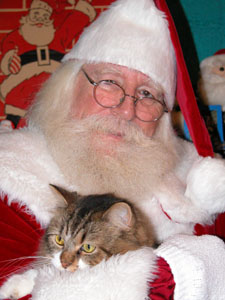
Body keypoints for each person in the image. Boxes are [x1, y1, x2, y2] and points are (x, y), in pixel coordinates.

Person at [0, 0, 225, 299]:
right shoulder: (10, 174)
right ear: (66, 90)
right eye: (108, 82)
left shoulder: (201, 184)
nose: (126, 109)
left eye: (146, 94)